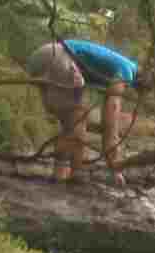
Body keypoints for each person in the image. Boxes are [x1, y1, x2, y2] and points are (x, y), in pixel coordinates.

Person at [26, 31, 142, 182]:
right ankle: (72, 175)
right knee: (78, 121)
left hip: (38, 59)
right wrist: (115, 169)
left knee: (71, 123)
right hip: (59, 56)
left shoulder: (119, 66)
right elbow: (110, 126)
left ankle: (66, 173)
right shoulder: (127, 71)